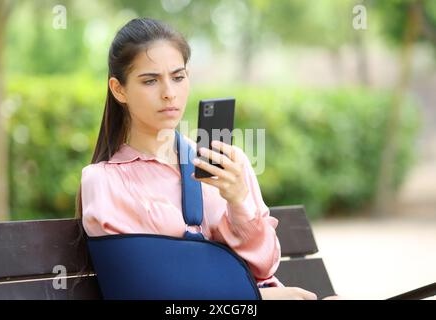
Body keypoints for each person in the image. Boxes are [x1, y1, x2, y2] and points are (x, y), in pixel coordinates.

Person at [76, 17, 319, 300]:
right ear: (119, 89)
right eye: (150, 81)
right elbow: (146, 290)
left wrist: (239, 201)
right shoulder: (105, 182)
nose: (169, 93)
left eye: (178, 77)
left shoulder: (227, 162)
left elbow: (264, 267)